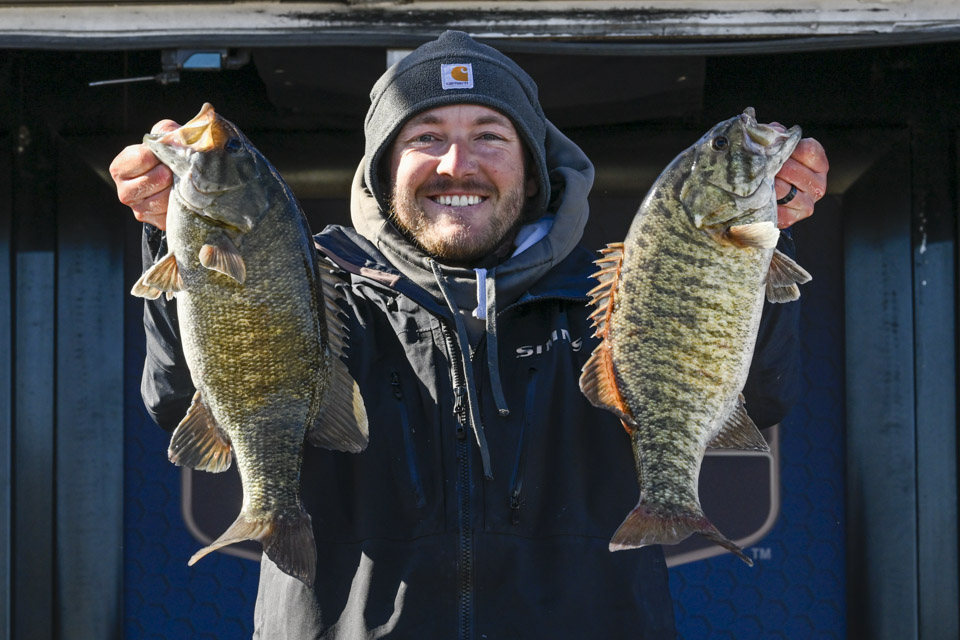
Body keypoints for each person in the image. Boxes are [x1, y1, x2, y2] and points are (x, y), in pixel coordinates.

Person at [111, 30, 828, 639]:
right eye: (426, 138)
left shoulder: (616, 297)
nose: (458, 164)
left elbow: (759, 396)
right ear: (383, 167)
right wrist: (170, 232)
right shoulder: (307, 279)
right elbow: (178, 400)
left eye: (489, 135)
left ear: (532, 168)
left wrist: (758, 238)